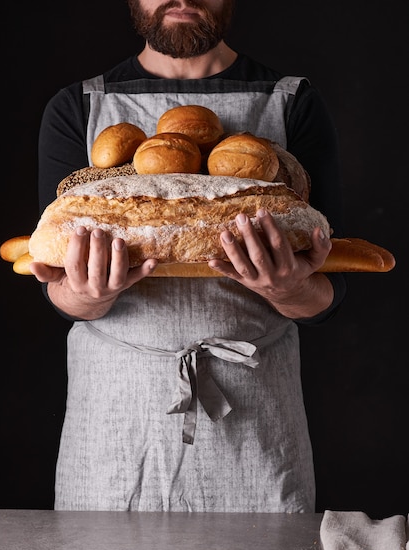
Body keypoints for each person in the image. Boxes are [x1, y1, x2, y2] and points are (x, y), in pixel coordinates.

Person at [31, 0, 346, 512]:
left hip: (257, 411)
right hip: (116, 414)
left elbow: (329, 286)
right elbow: (58, 286)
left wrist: (290, 289)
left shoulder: (291, 102)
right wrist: (83, 295)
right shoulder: (79, 107)